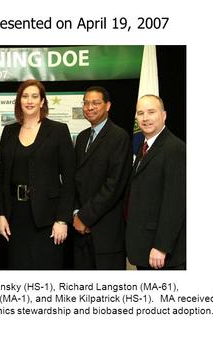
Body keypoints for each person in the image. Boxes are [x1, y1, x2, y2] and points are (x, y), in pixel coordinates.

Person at [0, 79, 76, 269]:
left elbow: (70, 179)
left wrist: (62, 219)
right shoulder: (9, 131)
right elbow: (0, 176)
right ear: (19, 101)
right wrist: (1, 214)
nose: (29, 101)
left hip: (48, 219)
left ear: (42, 102)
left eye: (34, 96)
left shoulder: (58, 130)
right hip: (15, 217)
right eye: (24, 96)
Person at [73, 86, 132, 269]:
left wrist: (85, 217)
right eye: (86, 103)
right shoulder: (82, 138)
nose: (89, 107)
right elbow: (75, 179)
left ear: (107, 106)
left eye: (96, 103)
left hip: (106, 233)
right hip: (80, 234)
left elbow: (113, 186)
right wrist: (76, 214)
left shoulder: (119, 137)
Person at [126, 94, 186, 270]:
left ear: (164, 115)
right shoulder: (144, 146)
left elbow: (175, 203)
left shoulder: (175, 149)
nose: (145, 118)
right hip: (144, 247)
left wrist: (161, 246)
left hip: (162, 254)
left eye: (151, 112)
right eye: (140, 113)